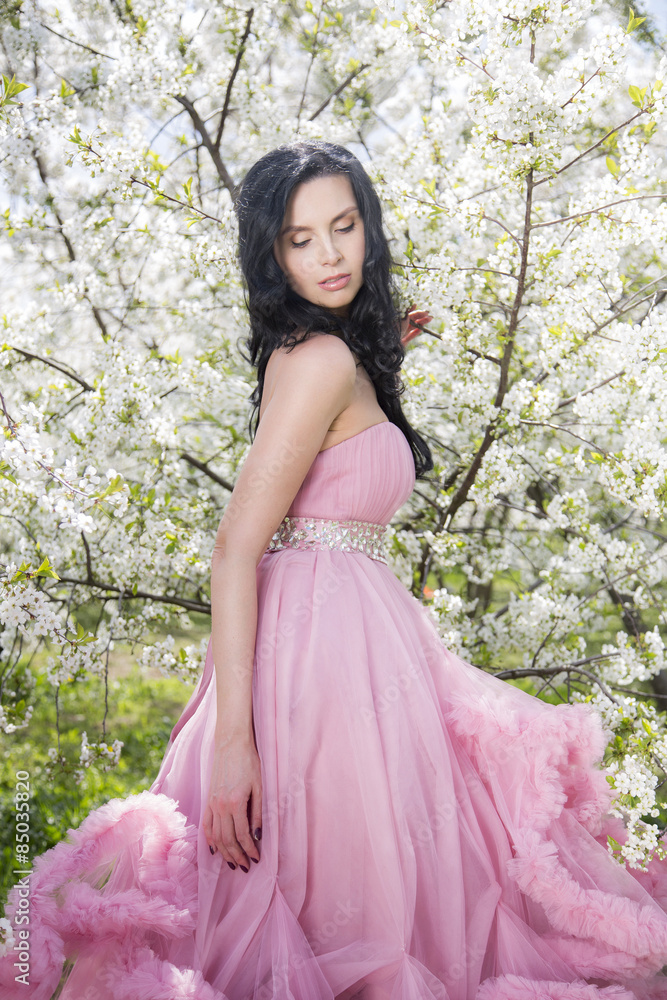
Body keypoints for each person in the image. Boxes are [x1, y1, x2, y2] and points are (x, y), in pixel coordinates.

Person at [2, 140, 667, 1000]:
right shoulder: (316, 362)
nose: (329, 255)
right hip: (319, 666)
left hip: (344, 645)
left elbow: (327, 464)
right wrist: (237, 749)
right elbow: (234, 548)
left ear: (368, 230)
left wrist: (379, 351)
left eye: (344, 228)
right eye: (300, 239)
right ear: (271, 254)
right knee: (337, 904)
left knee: (371, 886)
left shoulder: (323, 356)